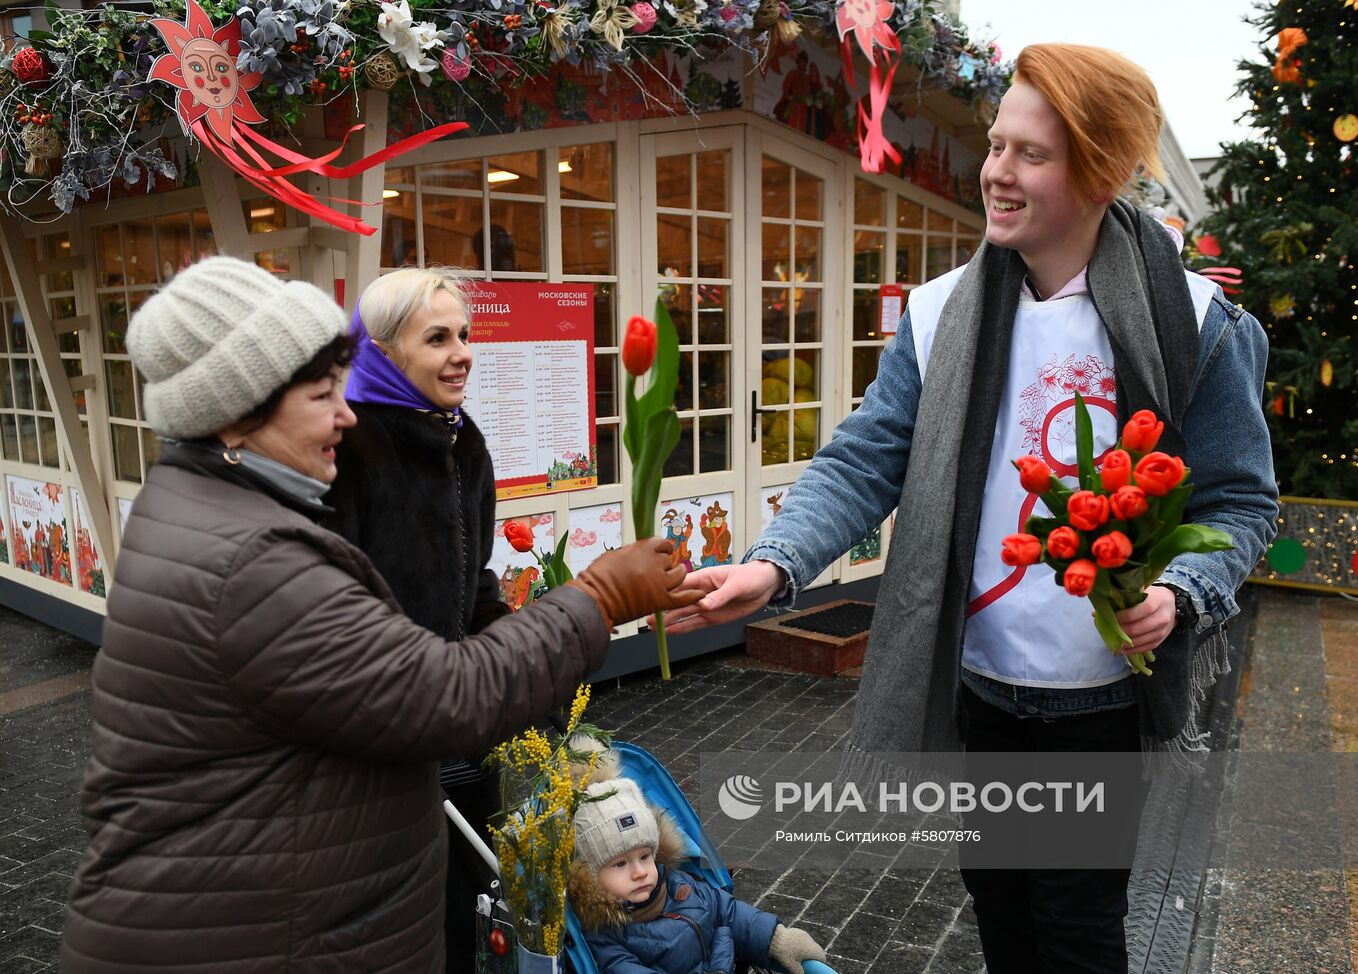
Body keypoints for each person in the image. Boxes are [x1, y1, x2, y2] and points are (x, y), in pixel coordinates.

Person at [667, 44, 1278, 974]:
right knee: (998, 905)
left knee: (1075, 932)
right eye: (997, 145)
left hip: (1102, 699)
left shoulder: (1196, 322)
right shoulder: (940, 312)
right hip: (980, 683)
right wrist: (776, 561)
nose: (995, 170)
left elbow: (1240, 499)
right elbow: (868, 457)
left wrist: (1183, 589)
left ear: (1101, 168)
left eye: (1029, 153)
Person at [60, 256, 700, 972]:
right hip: (264, 932)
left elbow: (462, 597)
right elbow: (443, 694)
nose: (344, 412)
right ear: (239, 411)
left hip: (299, 894)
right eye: (321, 393)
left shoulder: (221, 506)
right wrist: (602, 596)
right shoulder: (256, 555)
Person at [321, 267, 507, 973]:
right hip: (386, 738)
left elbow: (475, 576)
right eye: (437, 338)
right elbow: (336, 610)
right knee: (404, 919)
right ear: (383, 351)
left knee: (477, 902)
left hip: (466, 720)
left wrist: (507, 647)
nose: (462, 351)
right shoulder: (350, 451)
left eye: (464, 334)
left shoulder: (467, 442)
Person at [568, 756, 827, 974]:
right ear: (590, 875)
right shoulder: (604, 938)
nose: (639, 872)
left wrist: (776, 940)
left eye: (645, 857)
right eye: (621, 864)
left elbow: (728, 912)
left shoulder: (680, 886)